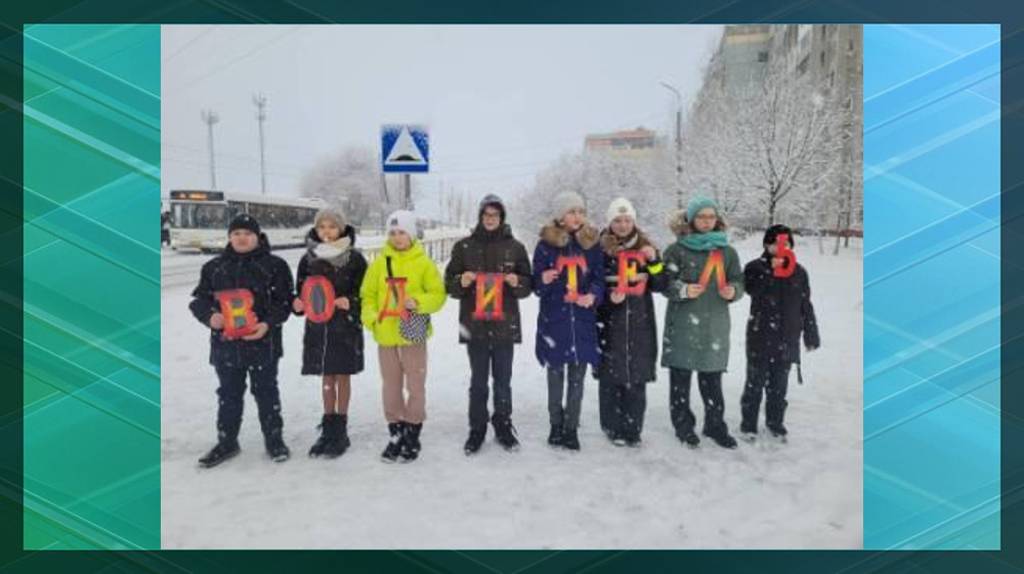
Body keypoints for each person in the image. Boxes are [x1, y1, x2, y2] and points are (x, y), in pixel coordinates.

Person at [189, 214, 294, 467]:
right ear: (229, 237)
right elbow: (199, 301)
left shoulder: (275, 266)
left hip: (263, 344)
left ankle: (274, 439)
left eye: (247, 233)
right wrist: (210, 317)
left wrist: (266, 324)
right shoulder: (214, 267)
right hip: (226, 346)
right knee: (228, 394)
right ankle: (227, 441)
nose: (242, 238)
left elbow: (284, 303)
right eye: (236, 233)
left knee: (266, 392)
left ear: (257, 237)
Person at [444, 194, 533, 455]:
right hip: (476, 326)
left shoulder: (515, 248)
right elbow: (449, 284)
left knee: (503, 380)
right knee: (479, 381)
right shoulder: (464, 247)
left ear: (502, 217)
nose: (491, 219)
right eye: (487, 215)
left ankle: (503, 425)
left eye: (495, 215)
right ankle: (477, 428)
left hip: (505, 325)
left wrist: (518, 282)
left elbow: (528, 285)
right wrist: (461, 281)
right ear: (480, 217)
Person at [360, 210, 447, 462]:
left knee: (416, 384)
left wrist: (418, 302)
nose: (397, 238)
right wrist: (372, 318)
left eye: (402, 232)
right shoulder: (378, 264)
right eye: (393, 233)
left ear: (411, 234)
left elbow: (438, 295)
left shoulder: (423, 263)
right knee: (391, 385)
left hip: (413, 333)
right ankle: (395, 431)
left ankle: (413, 431)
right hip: (386, 334)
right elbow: (367, 296)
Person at [661, 196, 744, 450]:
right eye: (701, 217)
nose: (706, 222)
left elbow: (738, 281)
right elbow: (664, 282)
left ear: (717, 220)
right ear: (691, 219)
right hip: (682, 326)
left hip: (714, 326)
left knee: (712, 381)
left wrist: (734, 291)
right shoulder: (676, 250)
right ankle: (683, 426)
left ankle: (715, 425)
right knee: (680, 382)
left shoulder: (727, 252)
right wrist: (682, 290)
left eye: (711, 217)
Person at [533, 191, 605, 451]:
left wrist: (593, 295)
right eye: (571, 212)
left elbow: (599, 278)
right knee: (555, 376)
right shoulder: (545, 246)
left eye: (580, 211)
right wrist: (544, 279)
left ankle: (571, 428)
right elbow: (536, 286)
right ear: (560, 217)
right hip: (555, 321)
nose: (577, 217)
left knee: (577, 378)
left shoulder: (592, 244)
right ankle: (556, 423)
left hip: (582, 322)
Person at [293, 207, 367, 458]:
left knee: (342, 375)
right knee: (327, 377)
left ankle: (341, 429)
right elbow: (301, 291)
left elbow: (366, 293)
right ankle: (328, 426)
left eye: (332, 226)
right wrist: (298, 305)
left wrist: (352, 302)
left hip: (345, 327)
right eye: (322, 226)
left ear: (342, 228)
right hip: (320, 329)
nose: (327, 231)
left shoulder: (355, 259)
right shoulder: (308, 259)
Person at [596, 198, 668, 447]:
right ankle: (612, 427)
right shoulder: (600, 249)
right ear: (610, 223)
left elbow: (662, 284)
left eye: (627, 220)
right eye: (617, 220)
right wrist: (608, 296)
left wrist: (654, 263)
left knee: (636, 379)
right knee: (610, 379)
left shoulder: (647, 247)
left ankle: (633, 428)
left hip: (640, 323)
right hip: (610, 323)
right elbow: (592, 284)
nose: (623, 224)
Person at [740, 224, 820, 441]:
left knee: (779, 387)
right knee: (754, 384)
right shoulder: (754, 267)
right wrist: (770, 272)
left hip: (787, 338)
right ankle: (748, 425)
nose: (780, 247)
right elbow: (751, 290)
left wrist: (811, 334)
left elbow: (805, 304)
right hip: (760, 335)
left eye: (785, 243)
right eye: (775, 243)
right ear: (767, 244)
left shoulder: (800, 272)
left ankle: (775, 423)